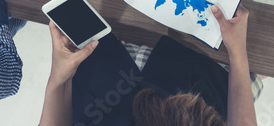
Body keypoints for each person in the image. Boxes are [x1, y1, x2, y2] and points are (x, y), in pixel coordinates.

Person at [39, 6, 261, 125]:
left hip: (102, 98)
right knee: (257, 71)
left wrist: (60, 79)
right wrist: (238, 50)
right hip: (199, 86)